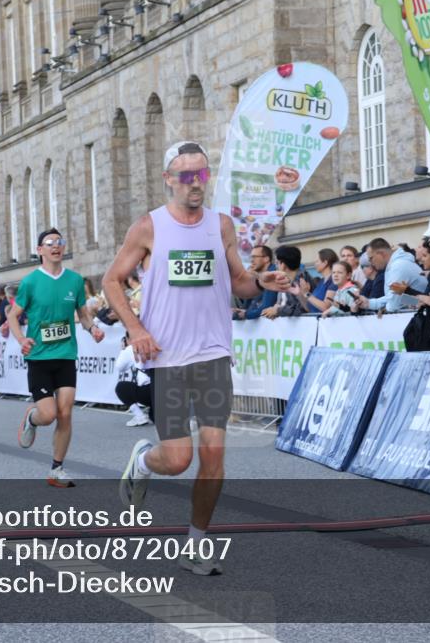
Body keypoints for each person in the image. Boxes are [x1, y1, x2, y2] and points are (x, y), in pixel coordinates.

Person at [104, 140, 289, 575]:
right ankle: (144, 461)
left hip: (212, 356)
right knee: (177, 460)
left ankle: (196, 543)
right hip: (167, 358)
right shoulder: (148, 227)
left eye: (202, 174)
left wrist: (261, 282)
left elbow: (239, 281)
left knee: (213, 455)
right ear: (168, 179)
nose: (195, 183)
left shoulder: (221, 225)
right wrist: (137, 329)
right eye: (186, 175)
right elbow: (112, 281)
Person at [10, 228, 105, 487]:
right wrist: (22, 339)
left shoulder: (74, 280)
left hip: (65, 355)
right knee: (48, 414)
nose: (55, 246)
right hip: (39, 358)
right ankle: (32, 418)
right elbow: (12, 315)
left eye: (59, 242)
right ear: (40, 250)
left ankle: (57, 469)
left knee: (65, 413)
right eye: (49, 243)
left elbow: (83, 314)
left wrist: (93, 328)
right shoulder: (30, 282)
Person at [353, 238, 424, 313]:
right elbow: (393, 298)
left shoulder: (398, 266)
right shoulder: (395, 265)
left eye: (371, 258)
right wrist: (369, 303)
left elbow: (393, 306)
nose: (370, 262)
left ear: (381, 254)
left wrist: (384, 307)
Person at [114, 334, 153, 427]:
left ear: (128, 339)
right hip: (166, 388)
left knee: (121, 388)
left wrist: (124, 349)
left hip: (149, 391)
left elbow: (119, 367)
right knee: (154, 416)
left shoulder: (131, 348)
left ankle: (140, 416)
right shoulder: (154, 343)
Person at [261, 245, 309, 319]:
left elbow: (300, 309)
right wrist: (275, 308)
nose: (275, 266)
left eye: (276, 263)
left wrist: (278, 310)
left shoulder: (300, 280)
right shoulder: (286, 279)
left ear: (282, 265)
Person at [233, 245, 277, 320]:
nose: (251, 261)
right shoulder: (257, 276)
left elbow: (266, 308)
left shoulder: (272, 275)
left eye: (255, 257)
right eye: (251, 257)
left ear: (266, 259)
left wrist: (245, 314)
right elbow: (248, 305)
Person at [301, 248, 338, 314]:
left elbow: (326, 307)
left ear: (325, 263)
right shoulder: (321, 281)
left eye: (317, 261)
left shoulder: (333, 281)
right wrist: (302, 293)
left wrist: (307, 294)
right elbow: (309, 308)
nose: (315, 264)